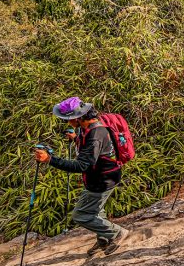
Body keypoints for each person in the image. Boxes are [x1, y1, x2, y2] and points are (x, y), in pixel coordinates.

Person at [34, 97, 130, 256]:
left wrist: (50, 159)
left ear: (78, 118)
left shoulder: (95, 134)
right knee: (95, 209)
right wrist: (76, 138)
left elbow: (81, 165)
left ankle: (116, 234)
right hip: (102, 176)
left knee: (81, 215)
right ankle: (104, 239)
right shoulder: (89, 127)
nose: (67, 122)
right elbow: (93, 149)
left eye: (68, 119)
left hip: (102, 180)